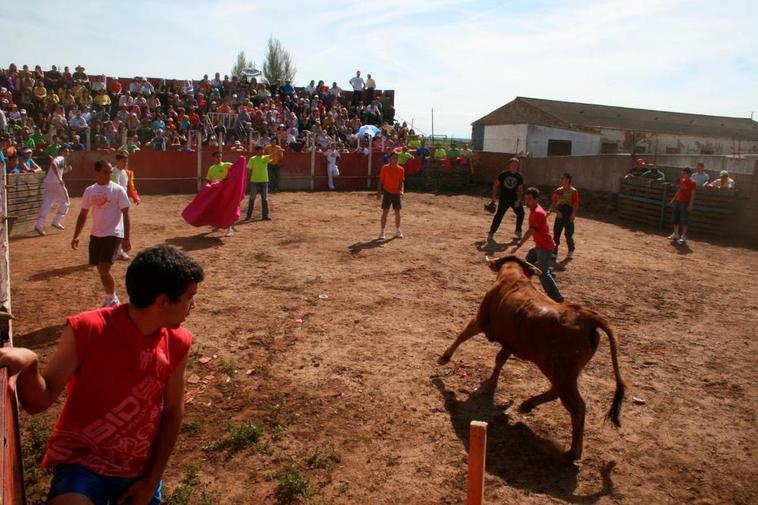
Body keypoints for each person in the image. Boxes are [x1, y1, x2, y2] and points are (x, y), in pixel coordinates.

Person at [0, 245, 203, 505]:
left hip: (139, 470)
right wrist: (30, 363)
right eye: (189, 297)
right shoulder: (88, 328)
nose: (193, 305)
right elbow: (40, 401)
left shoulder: (178, 341)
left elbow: (173, 411)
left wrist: (149, 483)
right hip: (82, 463)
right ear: (162, 301)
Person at [72, 160, 131, 307]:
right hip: (96, 234)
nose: (108, 175)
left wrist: (126, 238)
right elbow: (83, 214)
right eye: (105, 172)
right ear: (97, 172)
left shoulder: (118, 190)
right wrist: (76, 235)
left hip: (114, 233)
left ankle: (112, 299)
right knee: (99, 268)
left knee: (104, 268)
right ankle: (111, 297)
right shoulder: (89, 191)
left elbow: (126, 214)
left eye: (110, 172)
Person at [510, 187, 564, 303]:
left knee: (542, 272)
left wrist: (518, 245)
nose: (526, 201)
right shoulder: (536, 210)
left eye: (529, 199)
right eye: (525, 199)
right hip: (540, 246)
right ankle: (525, 285)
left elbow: (530, 231)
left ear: (536, 199)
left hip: (544, 247)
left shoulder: (537, 212)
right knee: (528, 262)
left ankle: (556, 297)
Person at [35, 146, 71, 236]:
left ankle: (39, 225)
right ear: (61, 152)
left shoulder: (61, 159)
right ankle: (56, 221)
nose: (67, 152)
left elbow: (58, 170)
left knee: (47, 203)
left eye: (68, 151)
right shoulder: (60, 158)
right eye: (65, 151)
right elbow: (53, 163)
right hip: (56, 184)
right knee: (66, 202)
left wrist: (66, 171)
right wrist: (59, 178)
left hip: (49, 182)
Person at [487, 157, 525, 241]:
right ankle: (491, 233)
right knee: (499, 215)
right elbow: (495, 185)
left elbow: (520, 189)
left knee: (521, 213)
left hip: (514, 199)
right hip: (504, 198)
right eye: (512, 164)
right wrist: (493, 198)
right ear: (509, 165)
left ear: (517, 166)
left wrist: (518, 200)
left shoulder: (519, 176)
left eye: (516, 165)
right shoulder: (503, 174)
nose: (514, 166)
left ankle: (518, 231)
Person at [205, 151, 235, 236]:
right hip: (216, 193)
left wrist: (229, 179)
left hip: (226, 191)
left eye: (220, 157)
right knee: (217, 209)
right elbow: (208, 180)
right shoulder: (211, 168)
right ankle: (218, 224)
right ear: (213, 158)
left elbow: (237, 167)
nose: (219, 158)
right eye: (217, 157)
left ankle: (230, 229)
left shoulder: (226, 165)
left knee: (226, 209)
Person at [550, 173, 580, 259]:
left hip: (568, 214)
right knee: (556, 234)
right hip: (559, 213)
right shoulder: (558, 190)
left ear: (568, 180)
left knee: (568, 234)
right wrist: (551, 210)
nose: (562, 180)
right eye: (562, 178)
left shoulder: (573, 191)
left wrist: (573, 214)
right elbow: (555, 202)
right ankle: (554, 252)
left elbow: (575, 203)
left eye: (563, 178)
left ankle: (571, 249)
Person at [376, 151, 404, 240]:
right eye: (394, 158)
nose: (395, 159)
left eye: (396, 158)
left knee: (397, 212)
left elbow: (401, 182)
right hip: (387, 192)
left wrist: (402, 191)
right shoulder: (385, 168)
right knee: (385, 212)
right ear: (390, 159)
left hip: (396, 193)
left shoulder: (401, 169)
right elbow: (381, 180)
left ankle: (398, 231)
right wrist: (379, 192)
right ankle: (382, 232)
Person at [668, 167, 696, 245]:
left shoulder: (692, 182)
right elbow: (679, 190)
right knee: (675, 218)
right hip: (678, 201)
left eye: (684, 173)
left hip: (685, 202)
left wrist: (690, 205)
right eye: (682, 173)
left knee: (684, 219)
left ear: (688, 174)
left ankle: (683, 236)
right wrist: (673, 199)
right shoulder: (682, 180)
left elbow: (693, 194)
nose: (682, 174)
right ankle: (676, 234)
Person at [245, 146, 271, 221]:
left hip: (264, 180)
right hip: (254, 181)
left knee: (265, 199)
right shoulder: (252, 159)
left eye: (262, 150)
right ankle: (248, 216)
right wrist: (249, 178)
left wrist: (280, 150)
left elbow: (275, 156)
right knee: (252, 198)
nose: (262, 151)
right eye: (260, 150)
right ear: (257, 151)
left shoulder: (266, 157)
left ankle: (265, 216)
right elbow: (249, 170)